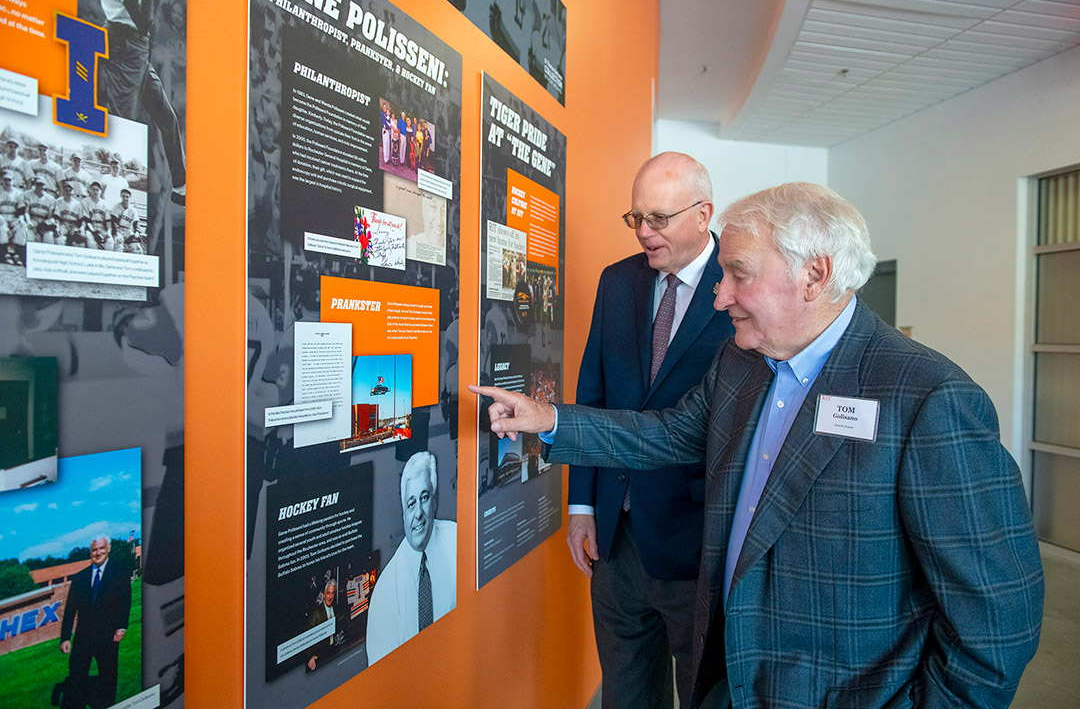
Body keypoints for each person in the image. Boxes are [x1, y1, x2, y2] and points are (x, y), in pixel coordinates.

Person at [472, 182, 1044, 709]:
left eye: (738, 274)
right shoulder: (741, 362)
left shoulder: (927, 399)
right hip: (729, 678)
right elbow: (668, 434)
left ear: (814, 275)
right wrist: (549, 419)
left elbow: (996, 622)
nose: (719, 297)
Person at [566, 151, 733, 709]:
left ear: (704, 213)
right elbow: (594, 397)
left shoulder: (737, 288)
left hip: (697, 543)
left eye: (658, 218)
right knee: (627, 693)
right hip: (616, 540)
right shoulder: (618, 282)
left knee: (702, 695)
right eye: (635, 217)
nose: (643, 232)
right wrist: (582, 507)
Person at [50, 0, 187, 203]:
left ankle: (181, 187)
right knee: (124, 121)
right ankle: (112, 199)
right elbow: (143, 22)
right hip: (125, 43)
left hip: (137, 48)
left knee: (167, 117)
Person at [365, 451, 456, 664]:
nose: (418, 514)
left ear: (434, 501)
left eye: (424, 498)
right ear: (403, 511)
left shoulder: (458, 541)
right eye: (410, 503)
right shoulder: (386, 592)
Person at [59, 535, 132, 709]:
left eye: (101, 548)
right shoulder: (79, 578)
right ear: (90, 552)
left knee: (108, 676)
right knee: (76, 677)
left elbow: (126, 600)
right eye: (94, 550)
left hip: (108, 636)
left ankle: (108, 705)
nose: (98, 553)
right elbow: (70, 610)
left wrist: (121, 626)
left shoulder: (119, 571)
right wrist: (65, 637)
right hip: (83, 638)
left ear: (108, 549)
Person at [305, 579, 344, 671]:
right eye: (328, 593)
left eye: (332, 593)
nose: (330, 597)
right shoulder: (316, 613)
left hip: (334, 651)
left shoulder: (337, 609)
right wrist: (310, 657)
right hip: (321, 656)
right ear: (324, 594)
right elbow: (308, 637)